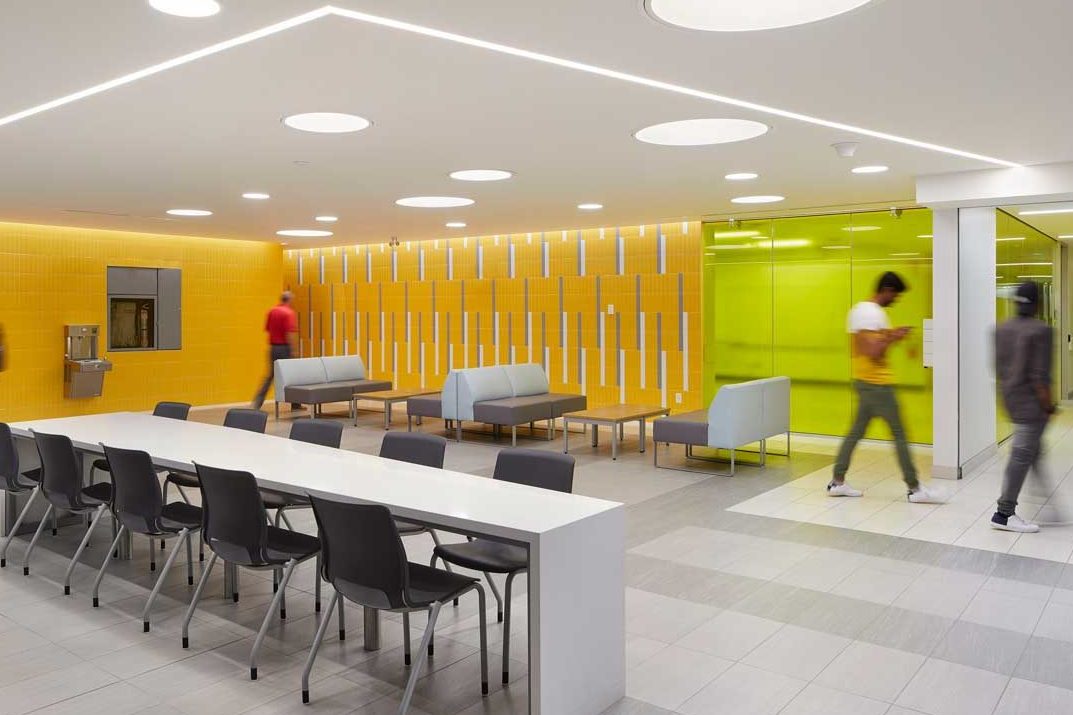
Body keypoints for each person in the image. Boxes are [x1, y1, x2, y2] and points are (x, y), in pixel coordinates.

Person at [827, 271, 942, 503]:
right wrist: (893, 337)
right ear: (887, 290)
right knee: (899, 434)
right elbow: (873, 351)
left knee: (855, 433)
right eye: (896, 295)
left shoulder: (860, 310)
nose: (896, 300)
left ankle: (837, 482)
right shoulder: (871, 313)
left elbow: (868, 343)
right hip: (878, 384)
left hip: (864, 381)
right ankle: (915, 489)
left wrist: (890, 333)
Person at [992, 281, 1056, 533]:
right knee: (1021, 456)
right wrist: (1048, 406)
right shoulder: (1041, 330)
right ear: (1038, 303)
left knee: (1033, 452)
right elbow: (1040, 377)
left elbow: (997, 368)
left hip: (1009, 401)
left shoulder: (1000, 329)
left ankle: (1051, 508)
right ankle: (1004, 513)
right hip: (1032, 406)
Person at [252, 291, 300, 411]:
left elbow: (268, 329)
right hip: (285, 348)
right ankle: (295, 404)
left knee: (270, 375)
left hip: (273, 348)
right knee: (293, 376)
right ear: (289, 300)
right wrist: (294, 350)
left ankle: (258, 402)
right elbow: (289, 333)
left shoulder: (272, 311)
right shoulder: (289, 313)